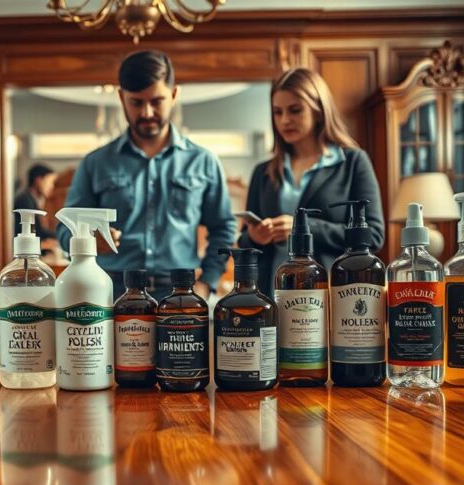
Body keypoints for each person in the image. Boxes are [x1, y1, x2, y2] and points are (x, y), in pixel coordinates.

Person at [57, 50, 236, 301]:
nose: (147, 113)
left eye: (156, 101)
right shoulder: (95, 163)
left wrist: (208, 283)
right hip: (111, 291)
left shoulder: (204, 162)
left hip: (180, 291)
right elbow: (65, 227)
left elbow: (223, 228)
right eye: (137, 102)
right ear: (121, 98)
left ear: (173, 95)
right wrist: (85, 240)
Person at [237, 68, 384, 296]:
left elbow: (373, 235)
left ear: (318, 111)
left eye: (295, 110)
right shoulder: (262, 172)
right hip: (272, 295)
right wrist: (254, 236)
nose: (285, 120)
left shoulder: (353, 162)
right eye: (277, 112)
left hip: (329, 293)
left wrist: (304, 229)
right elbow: (245, 241)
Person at [13, 163, 58, 240]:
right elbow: (35, 232)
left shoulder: (33, 199)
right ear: (38, 181)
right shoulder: (25, 201)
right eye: (49, 182)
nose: (51, 186)